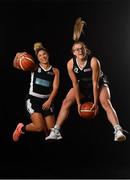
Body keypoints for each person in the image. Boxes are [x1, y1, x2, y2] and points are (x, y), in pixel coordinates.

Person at [45, 17, 127, 142]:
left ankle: (118, 130)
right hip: (82, 85)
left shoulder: (94, 61)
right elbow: (75, 84)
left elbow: (95, 84)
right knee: (66, 102)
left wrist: (95, 103)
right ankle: (56, 131)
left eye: (81, 49)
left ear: (85, 50)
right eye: (76, 50)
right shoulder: (70, 64)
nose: (79, 51)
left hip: (98, 83)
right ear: (73, 52)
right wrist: (78, 104)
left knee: (105, 102)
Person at [12, 42, 60, 142]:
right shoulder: (34, 67)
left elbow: (55, 88)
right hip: (33, 100)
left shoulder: (55, 71)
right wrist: (18, 54)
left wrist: (49, 100)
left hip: (47, 100)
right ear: (37, 58)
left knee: (51, 132)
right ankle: (21, 128)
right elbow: (15, 65)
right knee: (39, 128)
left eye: (44, 54)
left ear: (48, 54)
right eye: (40, 56)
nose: (43, 57)